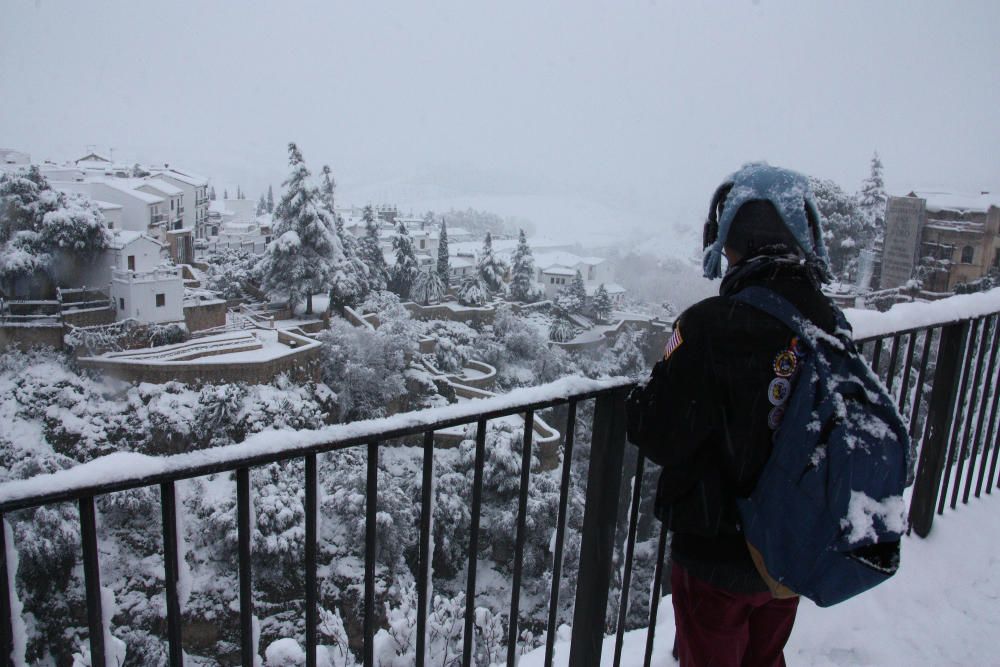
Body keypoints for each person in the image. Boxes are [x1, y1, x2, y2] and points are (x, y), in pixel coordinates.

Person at [633, 163, 841, 666]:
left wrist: (639, 401)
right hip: (788, 551)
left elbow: (661, 433)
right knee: (765, 657)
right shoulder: (829, 325)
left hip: (717, 553)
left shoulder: (707, 326)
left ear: (730, 242)